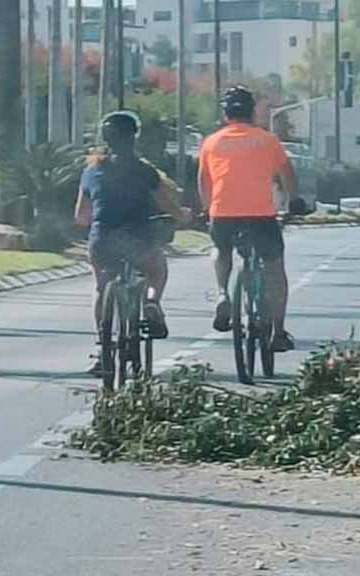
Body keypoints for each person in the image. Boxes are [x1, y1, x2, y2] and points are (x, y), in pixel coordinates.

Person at [74, 110, 188, 376]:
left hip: (102, 241)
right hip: (139, 239)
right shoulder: (145, 171)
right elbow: (168, 206)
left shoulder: (92, 171)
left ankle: (104, 347)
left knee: (102, 286)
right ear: (134, 138)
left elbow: (80, 216)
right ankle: (152, 302)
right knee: (157, 267)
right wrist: (184, 216)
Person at [198, 85, 304, 351]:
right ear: (252, 112)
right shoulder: (267, 140)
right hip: (260, 215)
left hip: (222, 213)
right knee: (275, 271)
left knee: (221, 249)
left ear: (225, 114)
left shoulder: (212, 142)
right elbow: (287, 173)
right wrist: (294, 201)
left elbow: (203, 179)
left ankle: (222, 293)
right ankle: (278, 332)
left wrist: (206, 209)